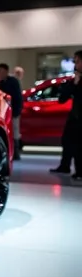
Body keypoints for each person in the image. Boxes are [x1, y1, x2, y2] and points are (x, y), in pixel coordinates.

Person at [50, 50, 82, 182]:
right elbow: (62, 98)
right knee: (67, 141)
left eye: (78, 61)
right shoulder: (74, 79)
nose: (75, 63)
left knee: (79, 146)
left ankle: (80, 171)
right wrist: (74, 83)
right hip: (75, 116)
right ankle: (65, 166)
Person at [0, 63, 24, 160]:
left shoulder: (13, 82)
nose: (0, 73)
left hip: (13, 110)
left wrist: (17, 111)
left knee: (15, 132)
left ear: (6, 72)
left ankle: (15, 153)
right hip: (2, 112)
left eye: (2, 71)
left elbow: (18, 97)